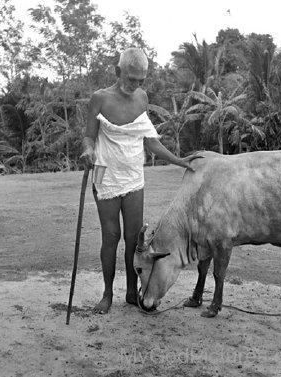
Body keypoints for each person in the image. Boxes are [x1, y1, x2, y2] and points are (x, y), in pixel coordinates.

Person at [81, 47, 201, 314]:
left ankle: (131, 293)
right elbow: (89, 136)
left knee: (135, 239)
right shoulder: (100, 99)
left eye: (141, 80)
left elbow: (150, 141)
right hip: (104, 174)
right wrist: (87, 150)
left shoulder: (142, 98)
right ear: (117, 71)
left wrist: (178, 160)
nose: (135, 85)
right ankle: (108, 293)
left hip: (134, 176)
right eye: (131, 78)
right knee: (110, 236)